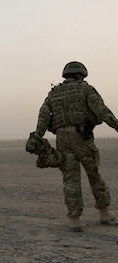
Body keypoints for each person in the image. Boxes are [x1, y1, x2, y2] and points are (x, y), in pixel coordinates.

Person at [34, 61, 118, 231]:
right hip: (82, 137)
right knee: (93, 174)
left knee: (70, 178)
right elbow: (102, 111)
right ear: (81, 74)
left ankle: (74, 219)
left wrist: (37, 137)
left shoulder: (53, 93)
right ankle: (103, 212)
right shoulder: (86, 89)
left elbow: (43, 117)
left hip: (62, 140)